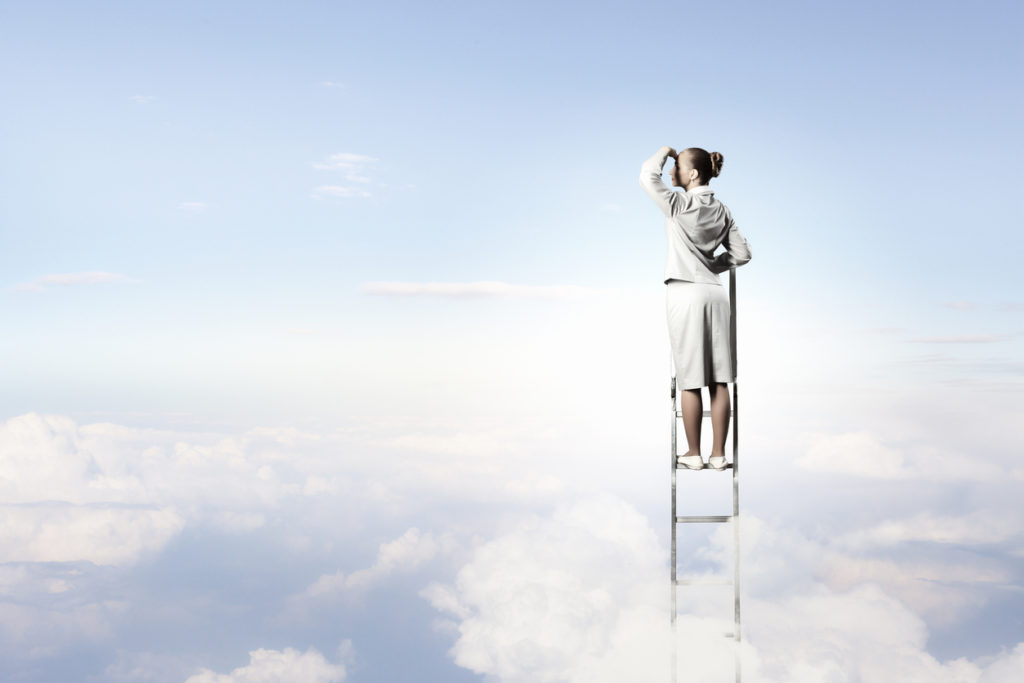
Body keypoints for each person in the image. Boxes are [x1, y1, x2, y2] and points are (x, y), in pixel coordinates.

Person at [639, 146, 752, 471]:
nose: (671, 173)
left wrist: (664, 151)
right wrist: (712, 266)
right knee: (720, 379)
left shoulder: (677, 204)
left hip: (684, 294)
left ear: (692, 174)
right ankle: (718, 455)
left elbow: (647, 174)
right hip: (714, 295)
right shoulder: (722, 210)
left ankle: (693, 453)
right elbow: (742, 254)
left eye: (677, 168)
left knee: (690, 378)